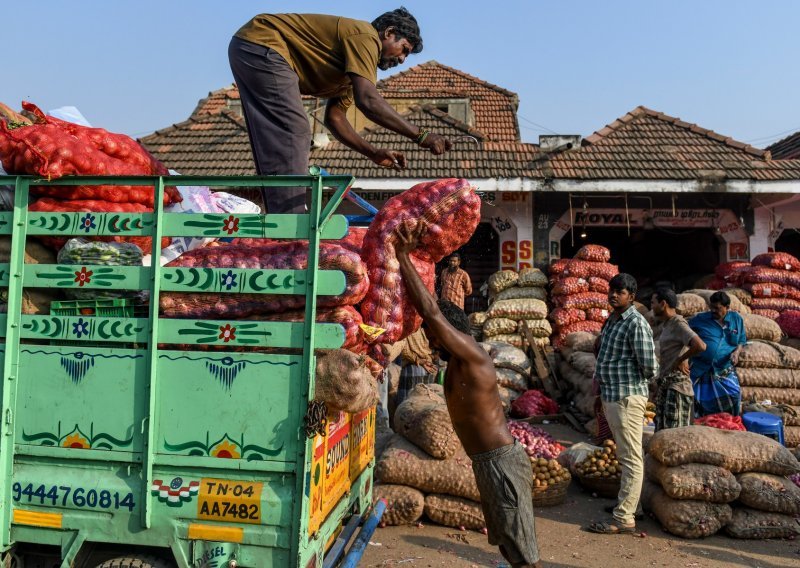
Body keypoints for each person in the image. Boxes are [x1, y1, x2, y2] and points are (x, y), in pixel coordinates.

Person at [395, 222, 541, 568]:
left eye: (432, 336)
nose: (428, 342)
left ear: (449, 334)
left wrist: (403, 256)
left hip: (502, 462)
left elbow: (431, 310)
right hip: (486, 463)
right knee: (506, 542)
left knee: (524, 553)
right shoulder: (454, 361)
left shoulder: (472, 355)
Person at [229, 8, 452, 213]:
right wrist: (421, 135)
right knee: (294, 128)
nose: (402, 59)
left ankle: (278, 212)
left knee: (279, 133)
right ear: (389, 33)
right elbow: (368, 101)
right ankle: (290, 221)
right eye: (404, 49)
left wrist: (372, 152)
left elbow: (335, 119)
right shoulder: (366, 37)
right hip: (263, 43)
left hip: (251, 46)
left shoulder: (352, 70)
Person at [588, 273, 657, 535]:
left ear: (632, 296)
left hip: (627, 395)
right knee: (625, 454)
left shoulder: (636, 323)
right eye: (612, 290)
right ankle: (631, 506)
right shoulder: (613, 320)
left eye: (621, 291)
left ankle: (624, 518)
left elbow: (649, 365)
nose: (614, 294)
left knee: (631, 458)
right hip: (613, 394)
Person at [650, 287, 707, 431]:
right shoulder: (667, 324)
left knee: (673, 434)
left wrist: (680, 359)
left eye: (653, 303)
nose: (651, 307)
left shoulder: (678, 323)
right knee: (662, 432)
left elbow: (700, 345)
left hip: (677, 387)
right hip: (667, 384)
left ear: (663, 304)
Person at [688, 291, 746, 417]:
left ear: (727, 307)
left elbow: (741, 340)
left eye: (717, 308)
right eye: (711, 307)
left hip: (723, 370)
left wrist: (736, 353)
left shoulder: (736, 319)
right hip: (702, 369)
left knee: (734, 395)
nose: (713, 311)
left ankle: (730, 425)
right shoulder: (700, 319)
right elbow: (684, 331)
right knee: (698, 401)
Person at [395, 327, 438, 408]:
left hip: (413, 368)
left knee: (408, 403)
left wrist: (419, 360)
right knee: (424, 402)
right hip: (427, 367)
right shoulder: (425, 327)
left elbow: (404, 350)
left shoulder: (408, 328)